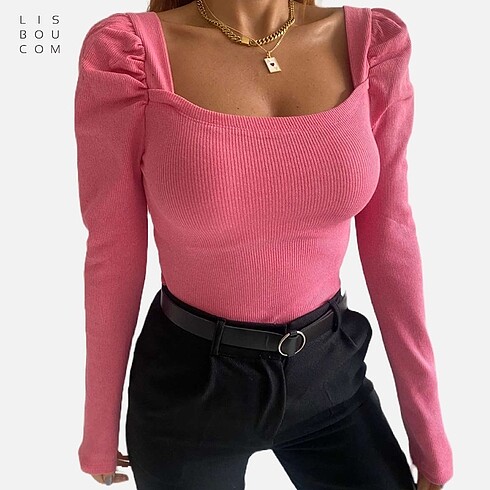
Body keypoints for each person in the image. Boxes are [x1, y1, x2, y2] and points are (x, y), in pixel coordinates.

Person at [74, 1, 453, 488]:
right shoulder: (128, 55)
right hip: (189, 390)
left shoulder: (371, 45)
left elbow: (392, 239)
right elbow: (113, 252)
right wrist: (98, 427)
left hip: (328, 373)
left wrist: (428, 430)